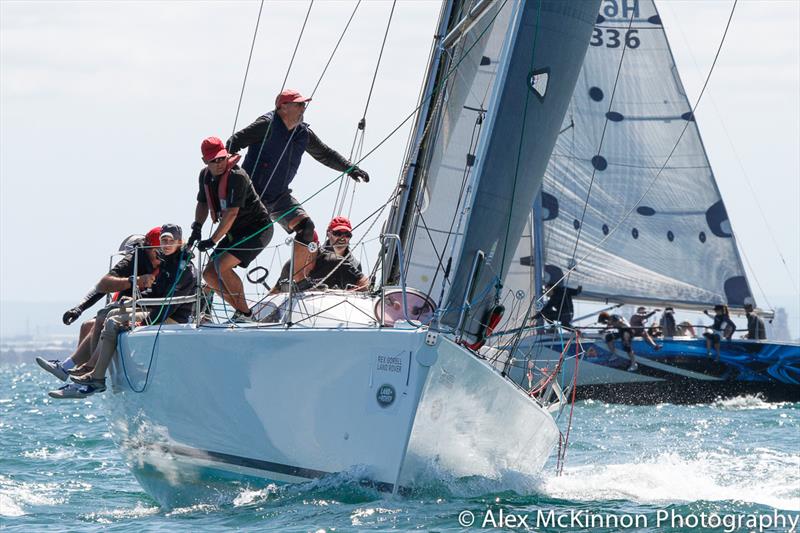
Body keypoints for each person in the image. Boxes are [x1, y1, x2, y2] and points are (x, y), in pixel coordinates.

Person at [226, 89, 369, 284]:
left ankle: (297, 282)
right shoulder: (266, 125)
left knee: (307, 228)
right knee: (236, 248)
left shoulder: (303, 132)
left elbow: (324, 154)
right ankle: (207, 288)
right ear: (283, 107)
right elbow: (233, 142)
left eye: (304, 104)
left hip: (279, 196)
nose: (304, 108)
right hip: (253, 198)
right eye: (299, 104)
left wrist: (350, 169)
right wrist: (231, 179)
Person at [52, 224, 197, 399]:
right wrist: (136, 298)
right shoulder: (168, 262)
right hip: (157, 310)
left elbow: (169, 306)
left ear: (179, 242)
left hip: (172, 318)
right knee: (106, 314)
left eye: (170, 241)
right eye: (163, 240)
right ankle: (91, 371)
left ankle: (96, 377)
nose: (165, 244)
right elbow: (156, 292)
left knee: (112, 322)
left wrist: (141, 324)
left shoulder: (183, 268)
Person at [36, 228, 162, 382]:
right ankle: (74, 372)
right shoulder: (133, 266)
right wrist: (79, 308)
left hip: (139, 312)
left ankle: (78, 370)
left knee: (98, 322)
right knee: (86, 325)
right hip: (125, 308)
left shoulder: (160, 267)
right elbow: (101, 288)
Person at [188, 136, 273, 321]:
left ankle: (245, 315)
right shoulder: (205, 176)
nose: (219, 163)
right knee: (209, 274)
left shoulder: (237, 176)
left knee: (221, 266)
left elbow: (232, 213)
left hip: (258, 229)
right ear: (205, 161)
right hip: (235, 233)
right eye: (213, 160)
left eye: (221, 158)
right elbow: (202, 203)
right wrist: (197, 228)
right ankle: (242, 312)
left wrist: (212, 240)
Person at [273, 216, 369, 292]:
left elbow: (364, 284)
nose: (342, 238)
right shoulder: (290, 265)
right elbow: (274, 292)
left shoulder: (335, 262)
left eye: (347, 235)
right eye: (337, 233)